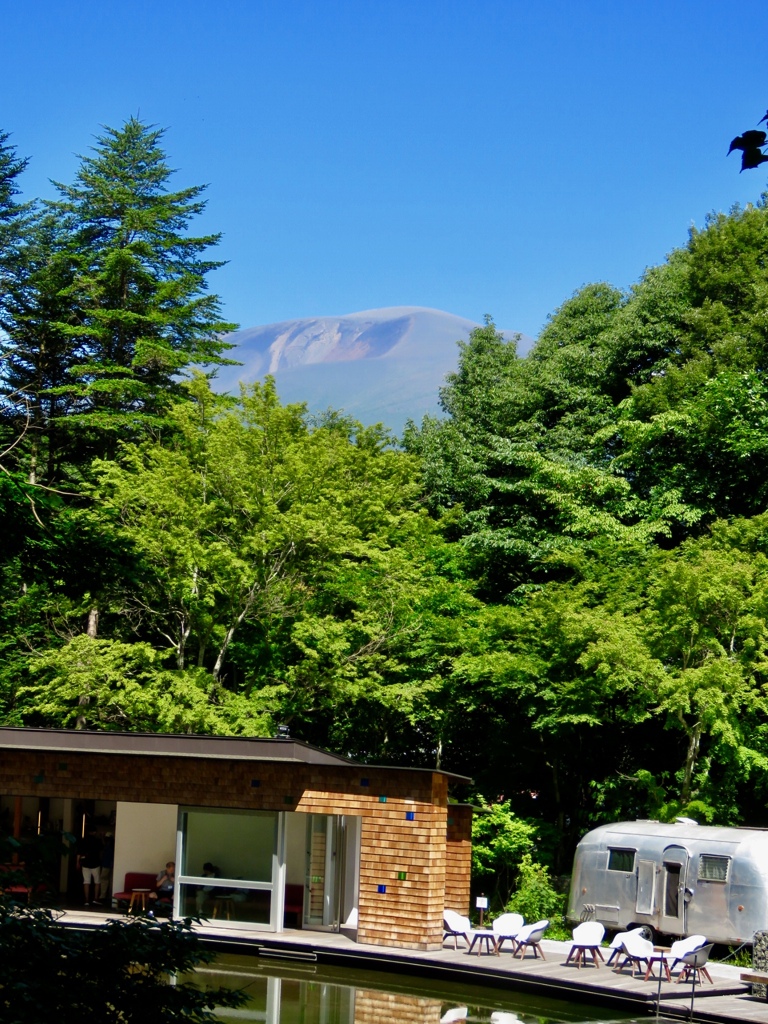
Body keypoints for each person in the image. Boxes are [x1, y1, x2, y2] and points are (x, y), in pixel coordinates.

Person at [77, 828, 103, 907]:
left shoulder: (83, 841)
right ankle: (95, 898)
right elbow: (102, 849)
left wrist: (77, 862)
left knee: (86, 882)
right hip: (95, 862)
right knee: (97, 882)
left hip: (85, 863)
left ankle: (86, 900)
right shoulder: (97, 841)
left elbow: (79, 852)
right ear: (94, 832)